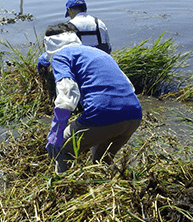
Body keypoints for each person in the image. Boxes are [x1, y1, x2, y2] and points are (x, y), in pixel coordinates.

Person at [43, 22, 142, 173]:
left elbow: (67, 91)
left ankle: (60, 185)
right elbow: (129, 86)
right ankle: (105, 186)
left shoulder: (60, 56)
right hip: (134, 114)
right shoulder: (98, 53)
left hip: (102, 113)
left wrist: (56, 131)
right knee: (101, 162)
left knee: (60, 149)